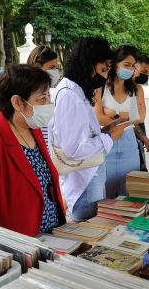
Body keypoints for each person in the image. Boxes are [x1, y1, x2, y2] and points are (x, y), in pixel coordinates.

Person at [0, 65, 65, 236]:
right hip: (17, 248)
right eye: (42, 99)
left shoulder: (31, 125)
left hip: (48, 236)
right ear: (17, 102)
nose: (48, 104)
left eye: (49, 97)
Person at [49, 37, 125, 221]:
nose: (105, 75)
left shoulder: (77, 91)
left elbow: (81, 132)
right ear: (88, 63)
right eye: (103, 68)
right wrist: (109, 138)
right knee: (86, 229)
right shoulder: (69, 95)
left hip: (89, 176)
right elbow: (73, 149)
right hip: (84, 181)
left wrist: (104, 129)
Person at [93, 45, 144, 198]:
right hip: (107, 141)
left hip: (129, 144)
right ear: (115, 64)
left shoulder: (136, 89)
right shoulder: (100, 87)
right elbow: (97, 117)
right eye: (126, 65)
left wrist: (116, 117)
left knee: (129, 191)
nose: (130, 69)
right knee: (104, 192)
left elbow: (140, 117)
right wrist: (126, 117)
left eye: (133, 65)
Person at [27, 45, 60, 151]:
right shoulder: (26, 94)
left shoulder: (53, 91)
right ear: (37, 67)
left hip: (48, 152)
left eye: (56, 67)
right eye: (51, 67)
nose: (55, 71)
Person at [132, 54, 149, 170]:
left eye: (148, 73)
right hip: (131, 133)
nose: (146, 75)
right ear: (134, 67)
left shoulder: (139, 88)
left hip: (140, 129)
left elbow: (140, 118)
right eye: (144, 71)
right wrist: (144, 139)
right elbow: (130, 120)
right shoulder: (124, 89)